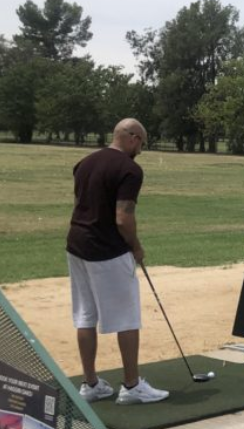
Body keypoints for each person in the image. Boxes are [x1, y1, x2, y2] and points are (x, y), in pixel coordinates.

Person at [67, 118, 169, 405]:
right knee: (127, 317)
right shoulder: (129, 169)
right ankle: (132, 386)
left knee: (85, 315)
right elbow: (123, 217)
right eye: (142, 144)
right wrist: (136, 247)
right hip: (107, 250)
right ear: (133, 138)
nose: (140, 151)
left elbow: (79, 205)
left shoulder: (84, 162)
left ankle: (90, 384)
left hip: (76, 243)